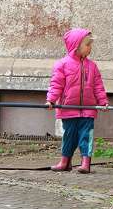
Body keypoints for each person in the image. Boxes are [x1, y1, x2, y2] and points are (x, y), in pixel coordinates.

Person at [46, 28, 109, 173]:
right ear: (76, 46)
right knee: (69, 136)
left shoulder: (92, 67)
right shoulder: (62, 65)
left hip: (88, 110)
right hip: (68, 109)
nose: (90, 48)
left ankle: (85, 163)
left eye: (90, 44)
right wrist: (51, 100)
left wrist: (102, 101)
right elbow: (56, 84)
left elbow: (98, 86)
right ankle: (65, 162)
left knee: (86, 136)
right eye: (87, 44)